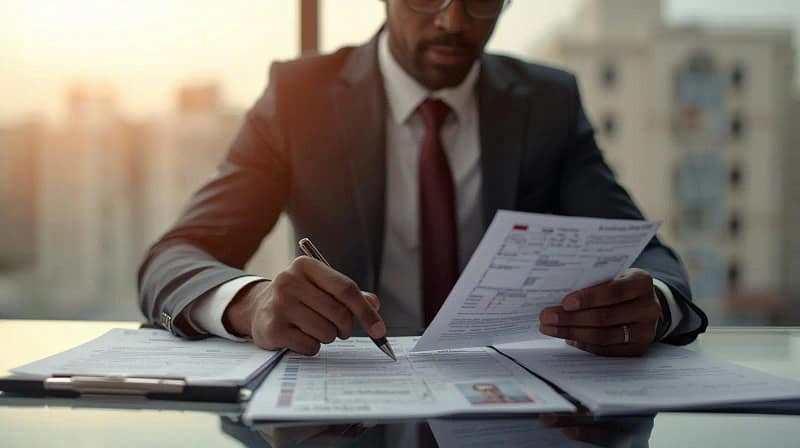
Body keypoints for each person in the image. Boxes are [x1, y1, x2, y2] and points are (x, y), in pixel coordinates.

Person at [138, 0, 707, 358]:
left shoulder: (548, 105)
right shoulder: (299, 98)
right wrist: (252, 302)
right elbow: (175, 256)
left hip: (514, 404)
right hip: (346, 410)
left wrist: (652, 304)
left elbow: (649, 256)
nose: (452, 20)